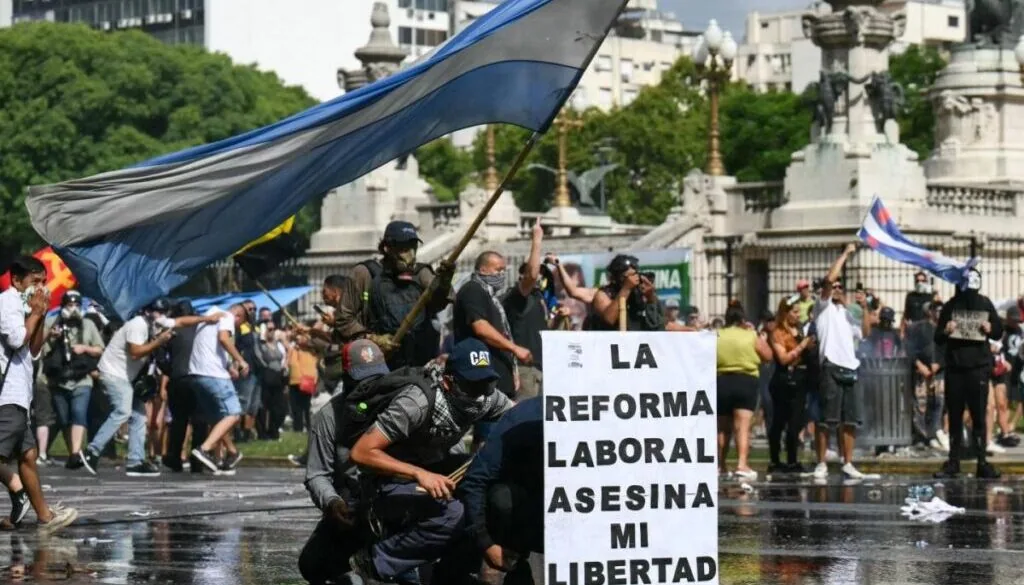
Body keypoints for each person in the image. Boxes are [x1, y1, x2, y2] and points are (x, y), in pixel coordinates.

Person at [349, 338, 515, 583]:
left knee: (488, 497)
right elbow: (361, 453)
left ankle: (450, 575)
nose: (480, 395)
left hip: (433, 467)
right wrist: (419, 474)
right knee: (455, 514)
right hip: (388, 480)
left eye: (486, 385)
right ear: (448, 382)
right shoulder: (416, 403)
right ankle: (374, 561)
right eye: (472, 387)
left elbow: (519, 416)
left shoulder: (486, 397)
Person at [72, 298, 214, 477]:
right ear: (147, 311)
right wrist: (159, 341)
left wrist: (206, 319)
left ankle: (135, 461)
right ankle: (92, 451)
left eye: (164, 313)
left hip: (128, 376)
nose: (161, 316)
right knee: (123, 411)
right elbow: (135, 352)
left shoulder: (156, 321)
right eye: (158, 312)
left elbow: (180, 322)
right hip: (113, 372)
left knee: (139, 416)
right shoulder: (137, 324)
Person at [298, 339, 390, 585]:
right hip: (354, 508)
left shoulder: (402, 405)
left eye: (377, 379)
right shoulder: (329, 416)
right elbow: (317, 474)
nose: (370, 387)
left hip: (397, 506)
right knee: (313, 564)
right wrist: (332, 502)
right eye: (362, 380)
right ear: (347, 378)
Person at [0, 255, 77, 531]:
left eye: (43, 282)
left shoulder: (26, 306)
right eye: (35, 281)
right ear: (16, 280)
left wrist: (40, 314)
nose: (40, 288)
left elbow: (32, 350)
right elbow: (15, 339)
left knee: (28, 456)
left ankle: (44, 516)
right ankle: (22, 495)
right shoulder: (7, 302)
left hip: (21, 395)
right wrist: (34, 314)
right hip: (7, 396)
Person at [336, 221, 453, 368]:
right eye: (404, 248)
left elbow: (439, 304)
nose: (411, 255)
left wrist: (444, 283)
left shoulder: (421, 273)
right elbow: (343, 320)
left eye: (413, 247)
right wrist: (373, 339)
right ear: (387, 248)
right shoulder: (365, 274)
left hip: (419, 365)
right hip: (377, 364)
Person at [455, 397, 544, 585]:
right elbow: (475, 479)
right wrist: (486, 543)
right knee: (501, 497)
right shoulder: (524, 415)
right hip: (532, 516)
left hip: (593, 522)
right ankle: (514, 564)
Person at [934, 267, 1002, 479]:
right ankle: (953, 461)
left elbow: (998, 331)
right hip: (955, 369)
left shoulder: (985, 304)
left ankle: (982, 461)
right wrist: (946, 329)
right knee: (954, 415)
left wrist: (990, 328)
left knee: (978, 415)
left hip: (978, 369)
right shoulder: (950, 306)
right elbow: (938, 338)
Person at [812, 244, 870, 480]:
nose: (837, 289)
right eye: (834, 287)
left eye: (840, 287)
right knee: (827, 420)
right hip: (831, 365)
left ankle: (848, 462)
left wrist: (864, 308)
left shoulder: (847, 313)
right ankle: (821, 462)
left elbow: (865, 333)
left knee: (850, 420)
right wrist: (846, 254)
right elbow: (829, 279)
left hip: (850, 366)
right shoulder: (822, 308)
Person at [454, 251, 532, 400]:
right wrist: (515, 348)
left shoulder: (491, 298)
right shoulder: (473, 290)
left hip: (500, 379)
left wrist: (512, 369)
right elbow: (481, 327)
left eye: (504, 270)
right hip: (483, 379)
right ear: (483, 270)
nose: (502, 275)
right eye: (498, 270)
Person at [41, 290, 104, 464]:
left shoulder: (88, 324)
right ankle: (72, 451)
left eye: (77, 305)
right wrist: (51, 336)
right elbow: (40, 348)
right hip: (58, 379)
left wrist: (85, 348)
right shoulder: (52, 322)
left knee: (78, 413)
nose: (73, 309)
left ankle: (76, 453)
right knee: (64, 418)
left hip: (82, 378)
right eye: (70, 305)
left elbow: (99, 348)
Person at [189, 304, 251, 474]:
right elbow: (223, 338)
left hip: (196, 374)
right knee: (233, 413)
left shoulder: (209, 315)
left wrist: (229, 365)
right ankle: (205, 449)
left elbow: (211, 348)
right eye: (239, 325)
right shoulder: (227, 316)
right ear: (238, 316)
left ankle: (231, 452)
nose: (235, 330)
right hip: (213, 374)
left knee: (217, 417)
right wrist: (240, 360)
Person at [717, 302, 772, 480]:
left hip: (722, 380)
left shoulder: (717, 335)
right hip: (746, 381)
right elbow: (768, 355)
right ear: (742, 319)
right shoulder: (750, 335)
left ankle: (720, 465)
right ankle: (742, 464)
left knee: (722, 428)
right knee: (743, 426)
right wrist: (759, 337)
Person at [767, 296, 816, 474]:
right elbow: (783, 358)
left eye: (798, 312)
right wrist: (801, 346)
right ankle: (775, 460)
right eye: (794, 312)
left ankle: (792, 460)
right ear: (785, 313)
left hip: (801, 379)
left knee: (796, 421)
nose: (798, 315)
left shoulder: (800, 329)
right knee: (779, 420)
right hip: (784, 380)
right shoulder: (777, 333)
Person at [161, 300, 207, 473]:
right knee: (200, 421)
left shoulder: (172, 330)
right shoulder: (201, 330)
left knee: (179, 421)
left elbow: (159, 352)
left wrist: (168, 369)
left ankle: (174, 456)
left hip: (178, 377)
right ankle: (197, 459)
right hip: (198, 377)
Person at [502, 219, 546, 399]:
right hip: (525, 370)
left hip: (540, 368)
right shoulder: (515, 297)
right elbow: (532, 275)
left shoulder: (538, 297)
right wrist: (537, 240)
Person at [585, 255, 667, 332]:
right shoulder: (604, 294)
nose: (634, 279)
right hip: (611, 340)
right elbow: (609, 319)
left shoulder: (639, 292)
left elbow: (658, 323)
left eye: (635, 274)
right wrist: (626, 288)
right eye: (629, 276)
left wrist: (650, 297)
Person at [907, 300, 948, 451]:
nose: (939, 313)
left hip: (939, 372)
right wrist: (919, 365)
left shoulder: (945, 330)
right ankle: (921, 437)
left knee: (937, 403)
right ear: (930, 311)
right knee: (921, 405)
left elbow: (947, 351)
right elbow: (910, 348)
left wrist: (939, 364)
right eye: (937, 310)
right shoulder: (918, 328)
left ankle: (934, 434)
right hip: (921, 372)